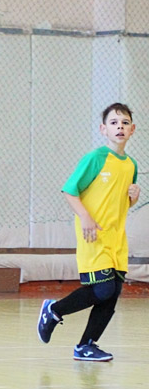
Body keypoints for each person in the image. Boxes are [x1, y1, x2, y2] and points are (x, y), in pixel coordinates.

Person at [38, 103, 139, 362]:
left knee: (112, 293)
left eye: (125, 123)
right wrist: (85, 217)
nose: (120, 127)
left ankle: (86, 346)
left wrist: (134, 197)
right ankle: (54, 310)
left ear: (132, 129)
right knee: (103, 289)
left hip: (117, 239)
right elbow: (70, 190)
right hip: (93, 235)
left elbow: (118, 202)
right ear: (103, 129)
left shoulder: (131, 165)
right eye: (114, 122)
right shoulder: (95, 158)